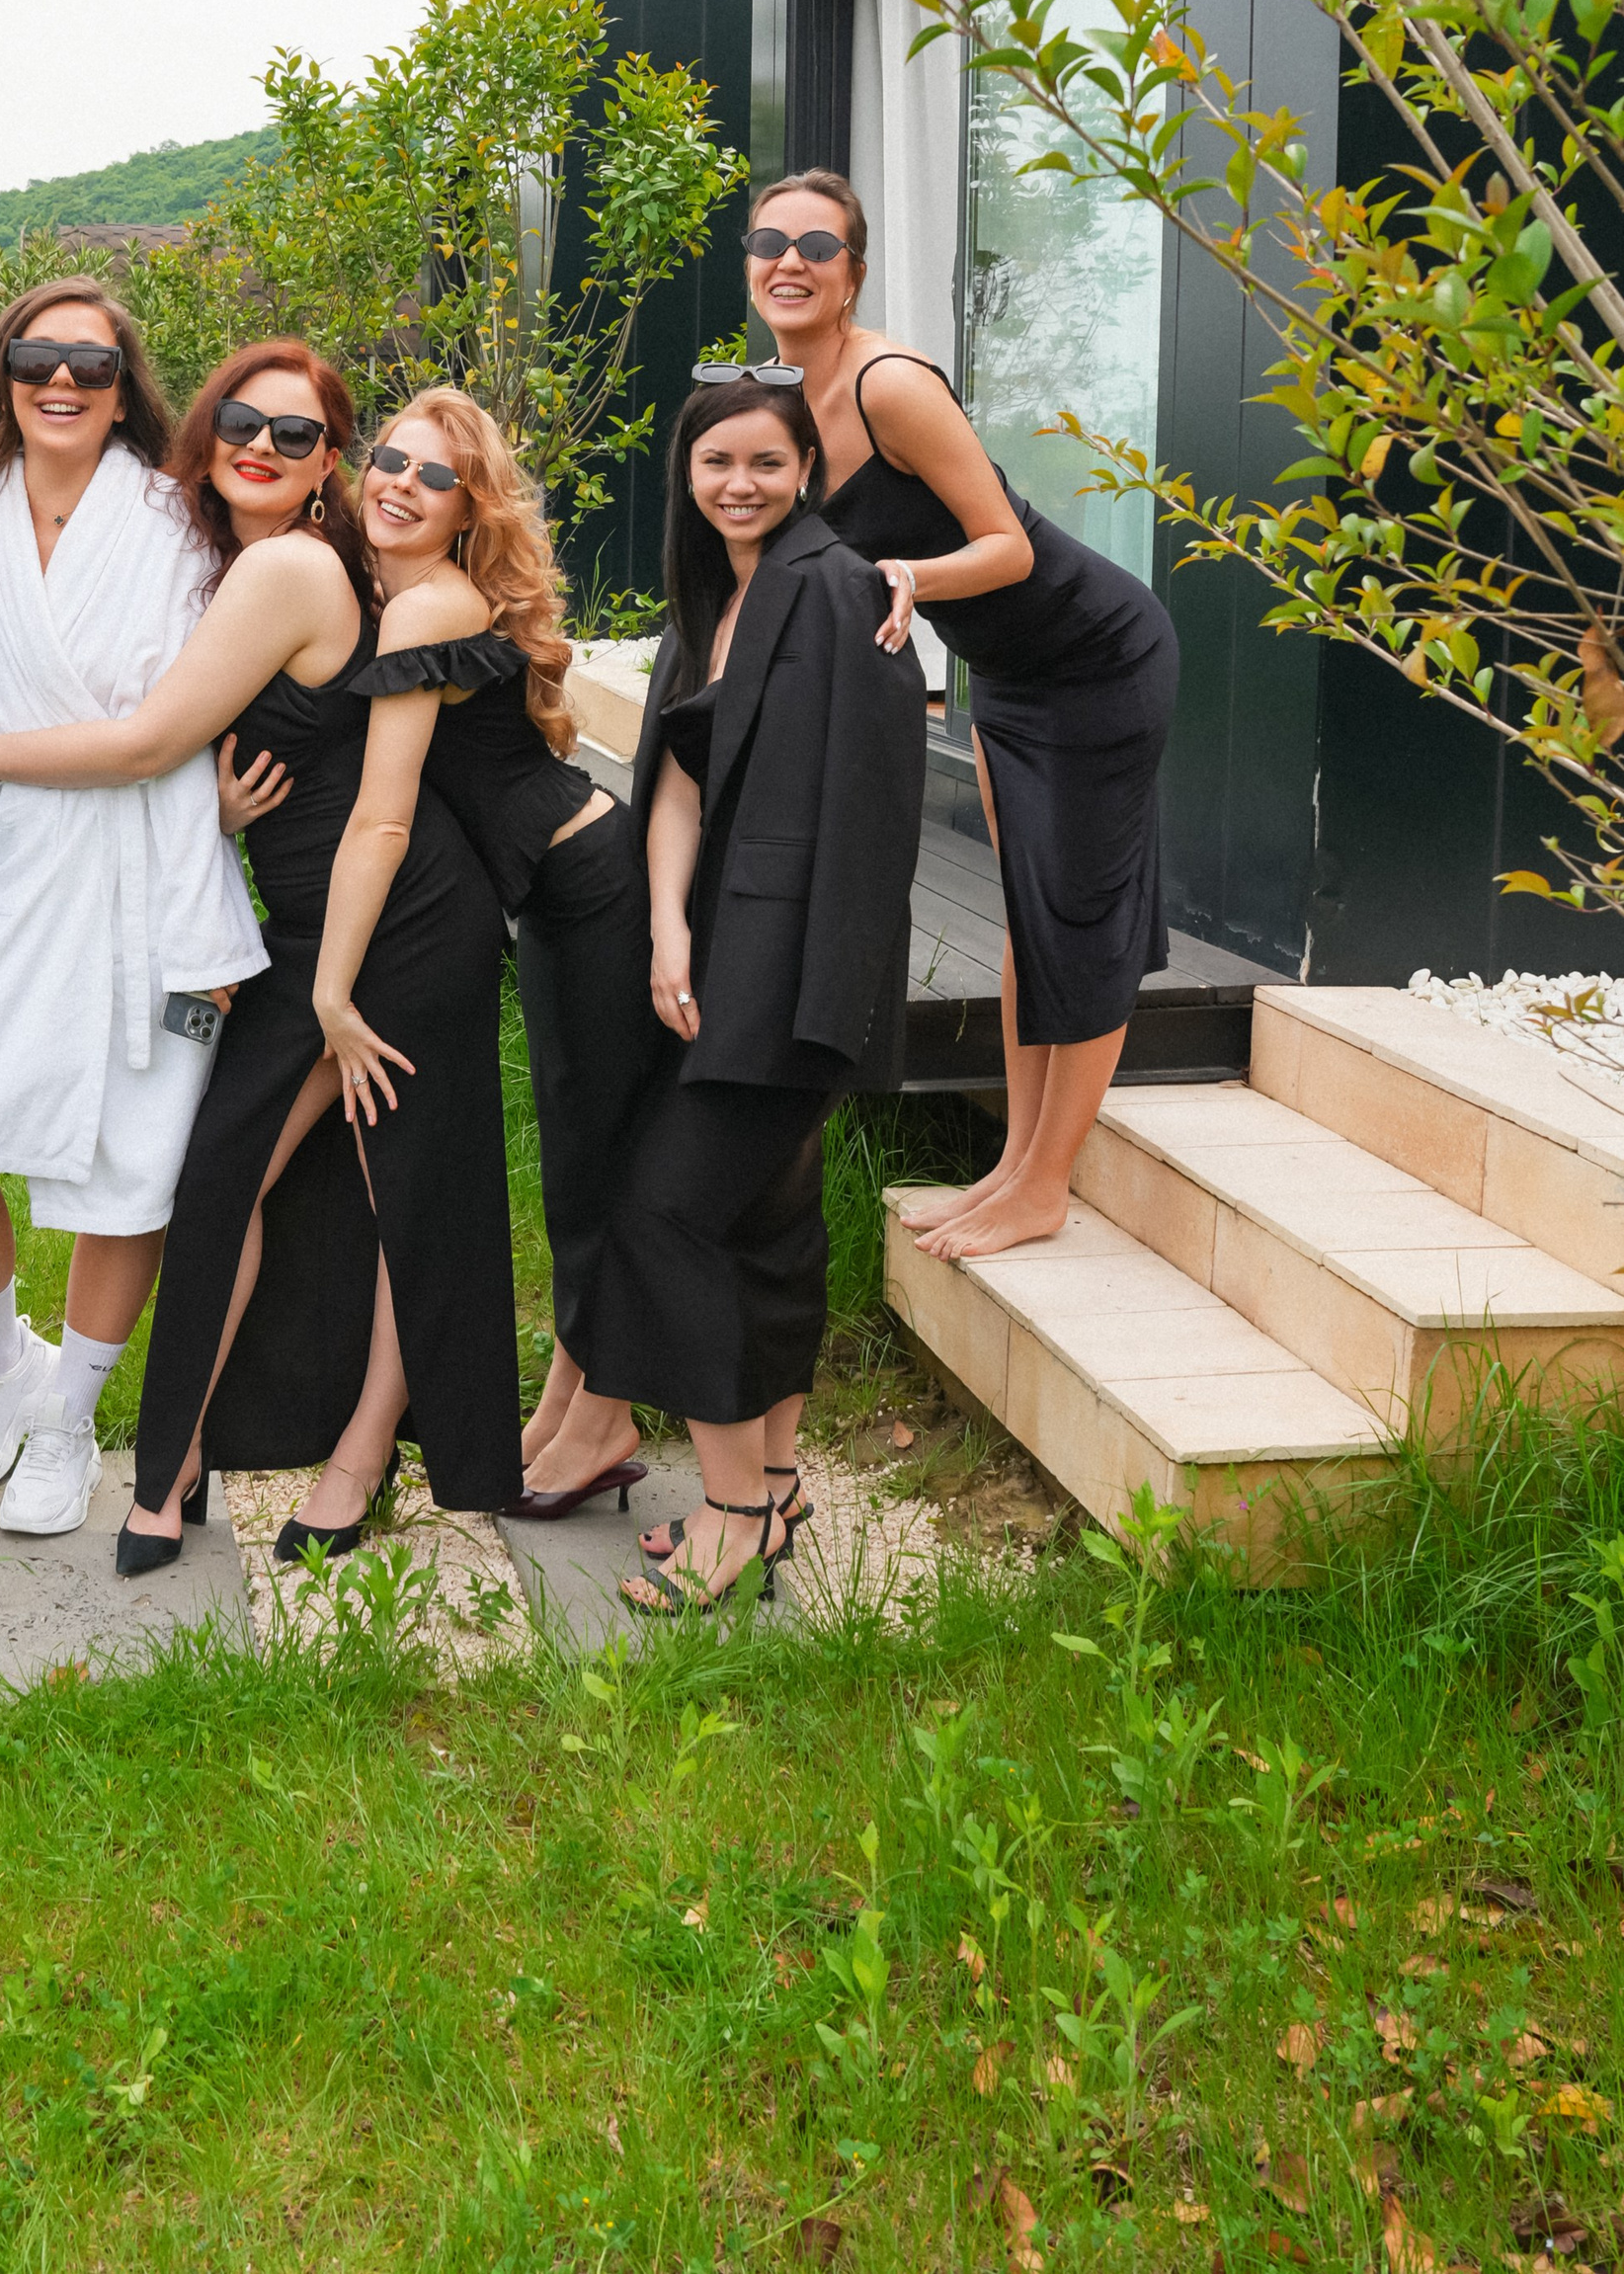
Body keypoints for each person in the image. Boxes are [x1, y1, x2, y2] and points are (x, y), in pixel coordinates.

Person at [0, 343, 520, 1574]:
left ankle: (356, 1456)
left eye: (296, 435)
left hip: (393, 928)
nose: (261, 443)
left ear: (325, 473)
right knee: (222, 1186)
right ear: (201, 434)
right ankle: (176, 1460)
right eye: (239, 420)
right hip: (306, 923)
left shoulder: (295, 565)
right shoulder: (228, 560)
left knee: (412, 1192)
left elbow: (150, 738)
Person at [0, 278, 270, 1537]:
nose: (63, 380)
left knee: (121, 1167)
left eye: (92, 361)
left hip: (156, 860)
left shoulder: (180, 510)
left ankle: (72, 1411)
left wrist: (241, 796)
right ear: (2, 367)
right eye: (39, 354)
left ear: (126, 379)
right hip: (24, 863)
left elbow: (276, 626)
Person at [751, 170, 1181, 1260]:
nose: (789, 260)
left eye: (817, 244)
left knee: (1078, 920)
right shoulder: (778, 393)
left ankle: (1045, 1185)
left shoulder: (888, 384)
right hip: (1010, 671)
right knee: (1029, 915)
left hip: (1095, 657)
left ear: (851, 272)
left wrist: (900, 576)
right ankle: (1008, 1164)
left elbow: (1009, 546)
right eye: (769, 242)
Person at [570, 369, 926, 1616]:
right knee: (767, 1231)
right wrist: (666, 928)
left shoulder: (843, 593)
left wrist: (823, 1016)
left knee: (665, 1214)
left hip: (795, 981)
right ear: (687, 472)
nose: (740, 483)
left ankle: (726, 1513)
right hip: (712, 956)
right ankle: (772, 1486)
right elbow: (674, 775)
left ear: (805, 470)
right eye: (716, 460)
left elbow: (878, 826)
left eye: (766, 463)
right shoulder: (709, 596)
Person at [324, 385, 660, 1526]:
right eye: (387, 458)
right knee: (577, 1154)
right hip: (561, 893)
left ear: (471, 507)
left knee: (603, 1157)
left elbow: (381, 814)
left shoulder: (431, 608)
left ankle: (606, 1412)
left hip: (589, 887)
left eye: (433, 476)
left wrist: (331, 982)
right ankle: (569, 1407)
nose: (398, 484)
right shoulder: (412, 594)